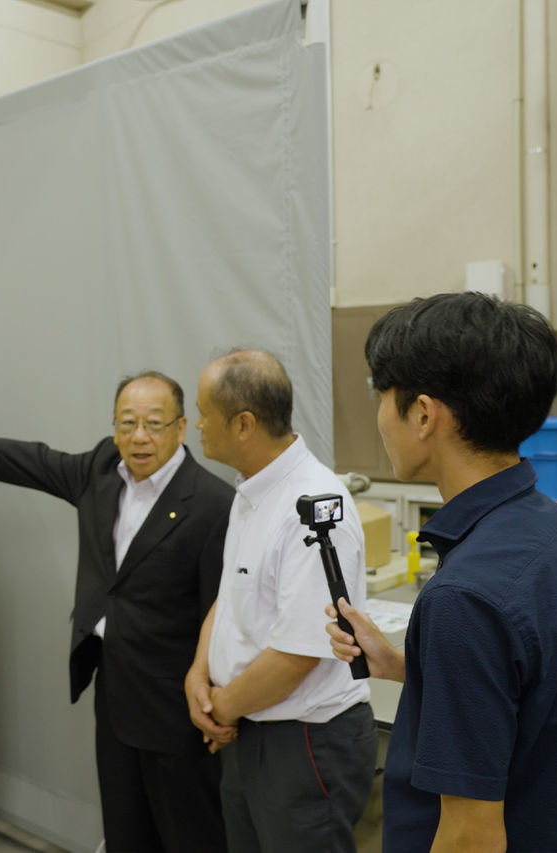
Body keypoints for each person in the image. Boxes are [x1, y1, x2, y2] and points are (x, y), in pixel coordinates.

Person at [325, 292, 557, 852]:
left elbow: (469, 836)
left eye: (383, 396)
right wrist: (404, 665)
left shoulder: (465, 596)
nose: (381, 417)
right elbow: (529, 695)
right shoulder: (556, 531)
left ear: (423, 413)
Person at [0, 372, 233, 853]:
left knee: (188, 833)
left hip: (175, 707)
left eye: (154, 424)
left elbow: (219, 615)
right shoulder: (101, 470)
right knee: (125, 828)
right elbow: (33, 461)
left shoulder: (211, 504)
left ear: (181, 428)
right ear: (114, 428)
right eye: (128, 423)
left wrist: (217, 705)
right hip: (114, 689)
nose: (139, 437)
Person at [184, 349, 376, 853]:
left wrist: (219, 706)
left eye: (205, 412)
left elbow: (297, 655)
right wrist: (199, 675)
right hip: (250, 723)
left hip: (304, 740)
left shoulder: (311, 506)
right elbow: (231, 595)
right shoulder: (251, 491)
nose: (198, 424)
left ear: (243, 424)